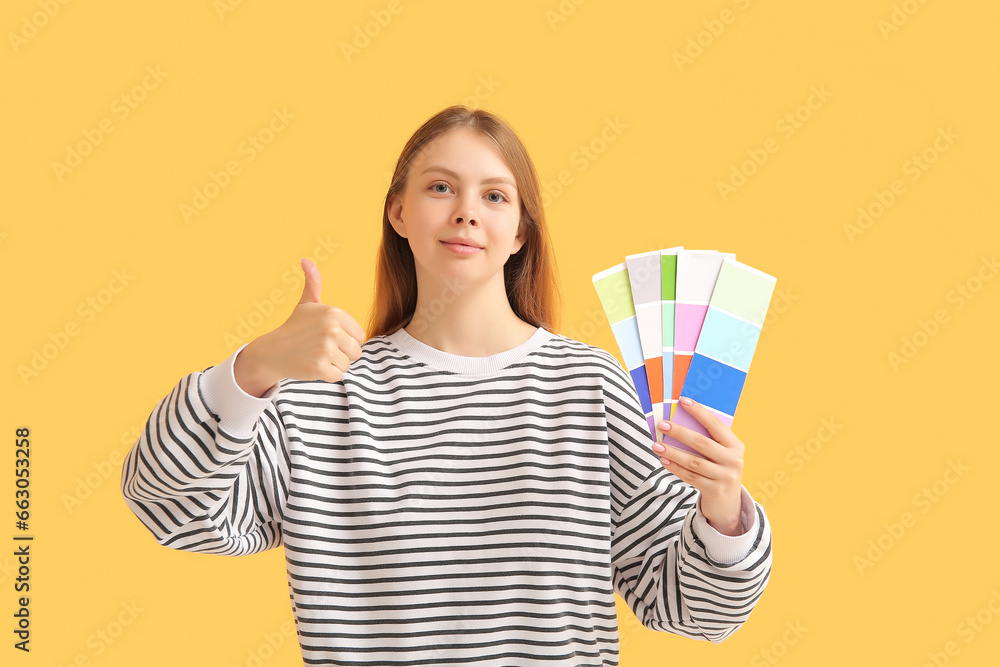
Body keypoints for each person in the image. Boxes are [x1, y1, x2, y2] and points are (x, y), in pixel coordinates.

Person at [121, 105, 772, 666]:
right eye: (441, 187)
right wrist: (252, 369)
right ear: (398, 212)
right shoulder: (321, 396)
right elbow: (172, 510)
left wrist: (722, 510)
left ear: (520, 233)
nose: (466, 212)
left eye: (494, 195)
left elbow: (687, 606)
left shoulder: (589, 384)